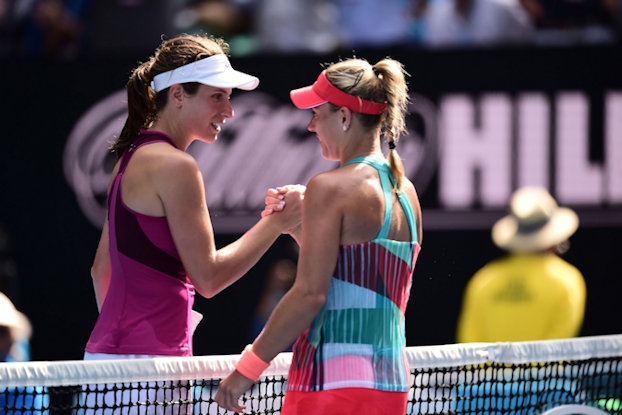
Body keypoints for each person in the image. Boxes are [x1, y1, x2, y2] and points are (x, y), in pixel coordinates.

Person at [215, 57, 423, 414]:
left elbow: (310, 294)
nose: (311, 125)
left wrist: (245, 371)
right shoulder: (407, 192)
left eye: (317, 113)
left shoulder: (329, 188)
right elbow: (357, 276)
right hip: (389, 387)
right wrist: (300, 227)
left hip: (331, 386)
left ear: (344, 117)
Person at [84, 33, 303, 362]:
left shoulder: (130, 157)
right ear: (178, 95)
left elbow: (102, 270)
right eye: (217, 97)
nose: (229, 111)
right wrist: (276, 223)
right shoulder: (177, 165)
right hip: (151, 368)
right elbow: (209, 278)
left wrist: (126, 335)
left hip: (108, 361)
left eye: (229, 98)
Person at [456, 186, 586, 343]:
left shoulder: (483, 281)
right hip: (544, 369)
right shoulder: (568, 281)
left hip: (489, 369)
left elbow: (469, 344)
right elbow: (558, 346)